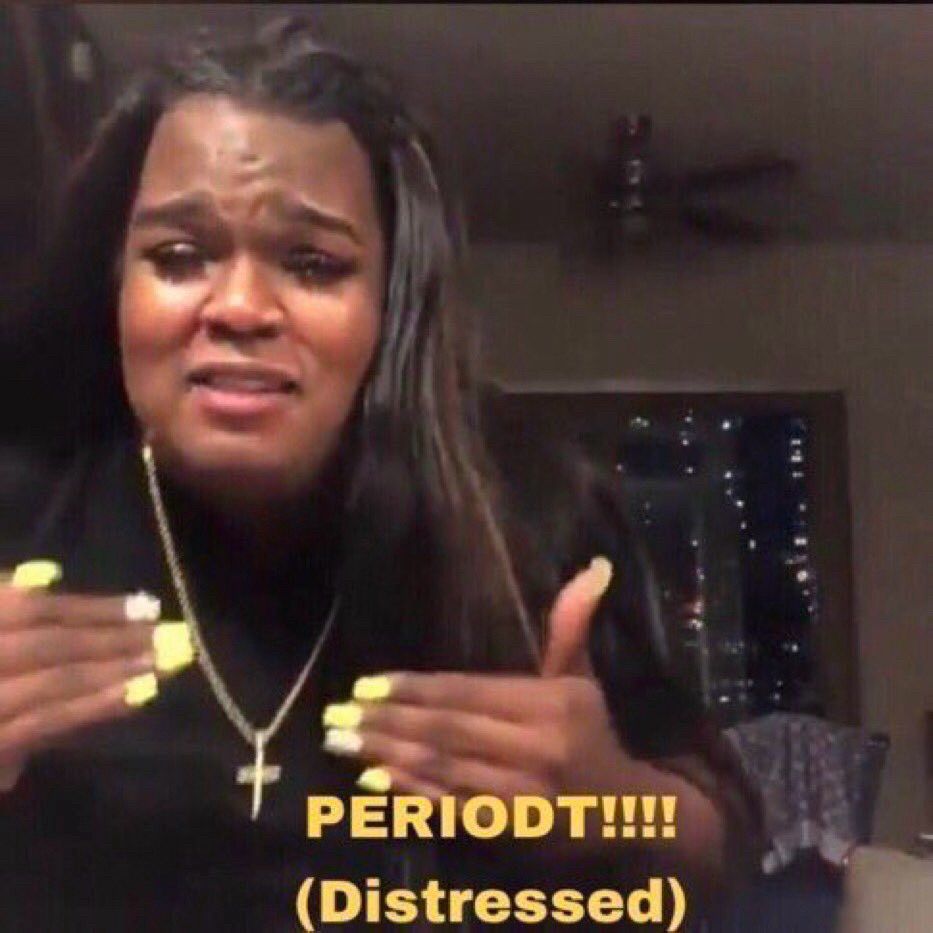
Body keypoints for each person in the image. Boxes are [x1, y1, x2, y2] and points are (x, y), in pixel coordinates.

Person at [0, 19, 761, 930]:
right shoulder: (24, 507)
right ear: (116, 284)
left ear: (390, 306)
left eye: (313, 264)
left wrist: (610, 802)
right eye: (177, 256)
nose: (238, 306)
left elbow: (725, 854)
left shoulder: (535, 511)